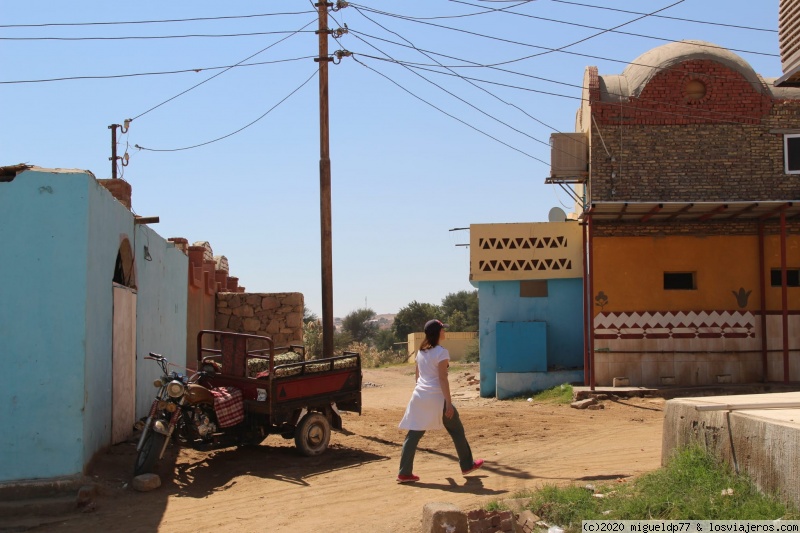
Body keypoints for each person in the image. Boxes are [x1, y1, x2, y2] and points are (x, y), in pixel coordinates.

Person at [396, 319, 483, 483]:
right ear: (437, 332)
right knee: (457, 431)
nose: (445, 332)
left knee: (413, 434)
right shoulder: (442, 352)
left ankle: (404, 472)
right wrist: (448, 403)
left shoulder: (420, 352)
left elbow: (418, 376)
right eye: (443, 330)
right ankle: (467, 465)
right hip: (437, 398)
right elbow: (443, 378)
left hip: (419, 396)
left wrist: (422, 392)